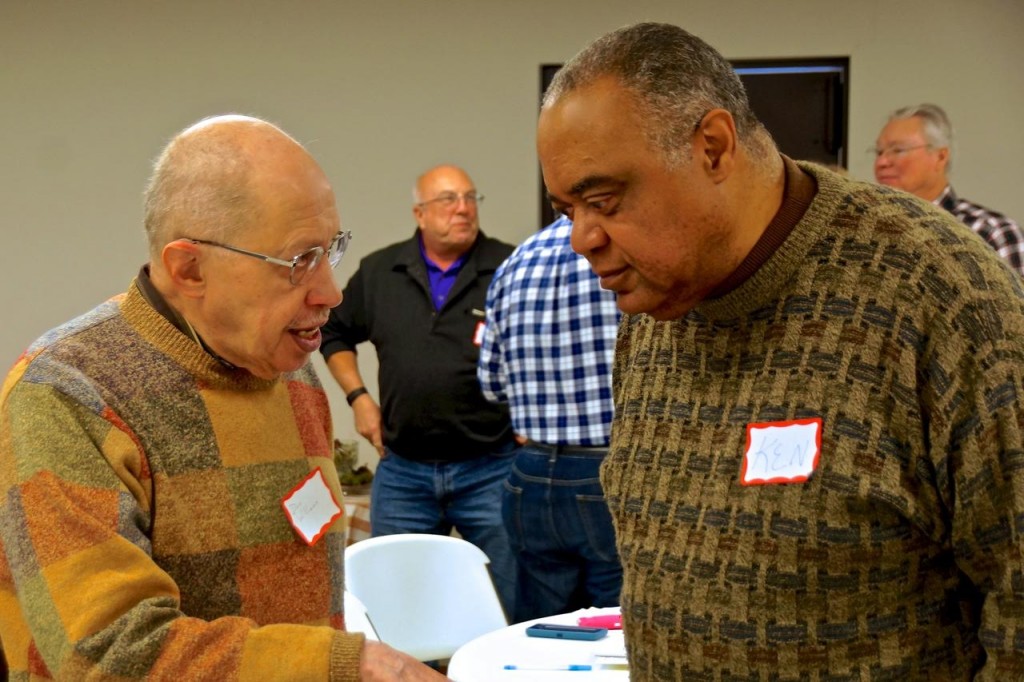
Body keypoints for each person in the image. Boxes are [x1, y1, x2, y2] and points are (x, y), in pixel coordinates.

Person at [538, 22, 1024, 680]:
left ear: (712, 147)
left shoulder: (937, 295)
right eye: (568, 209)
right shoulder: (656, 304)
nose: (581, 238)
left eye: (603, 199)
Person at [0, 115, 445, 681]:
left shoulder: (290, 371)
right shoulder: (65, 395)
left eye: (329, 249)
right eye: (298, 260)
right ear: (189, 268)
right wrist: (348, 665)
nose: (331, 292)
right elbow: (107, 654)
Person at [319, 164, 518, 615]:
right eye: (448, 200)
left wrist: (532, 419)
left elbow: (544, 344)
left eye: (470, 198)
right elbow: (333, 332)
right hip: (405, 469)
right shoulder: (380, 272)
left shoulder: (508, 267)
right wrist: (358, 398)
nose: (463, 209)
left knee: (509, 597)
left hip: (490, 467)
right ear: (420, 213)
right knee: (395, 602)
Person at [478, 213, 622, 623]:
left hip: (531, 473)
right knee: (617, 632)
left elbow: (491, 384)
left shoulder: (516, 262)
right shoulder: (620, 253)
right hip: (607, 465)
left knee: (542, 628)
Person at [874, 103, 1024, 277]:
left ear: (940, 156)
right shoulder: (868, 228)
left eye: (898, 150)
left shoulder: (993, 233)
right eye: (878, 152)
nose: (882, 163)